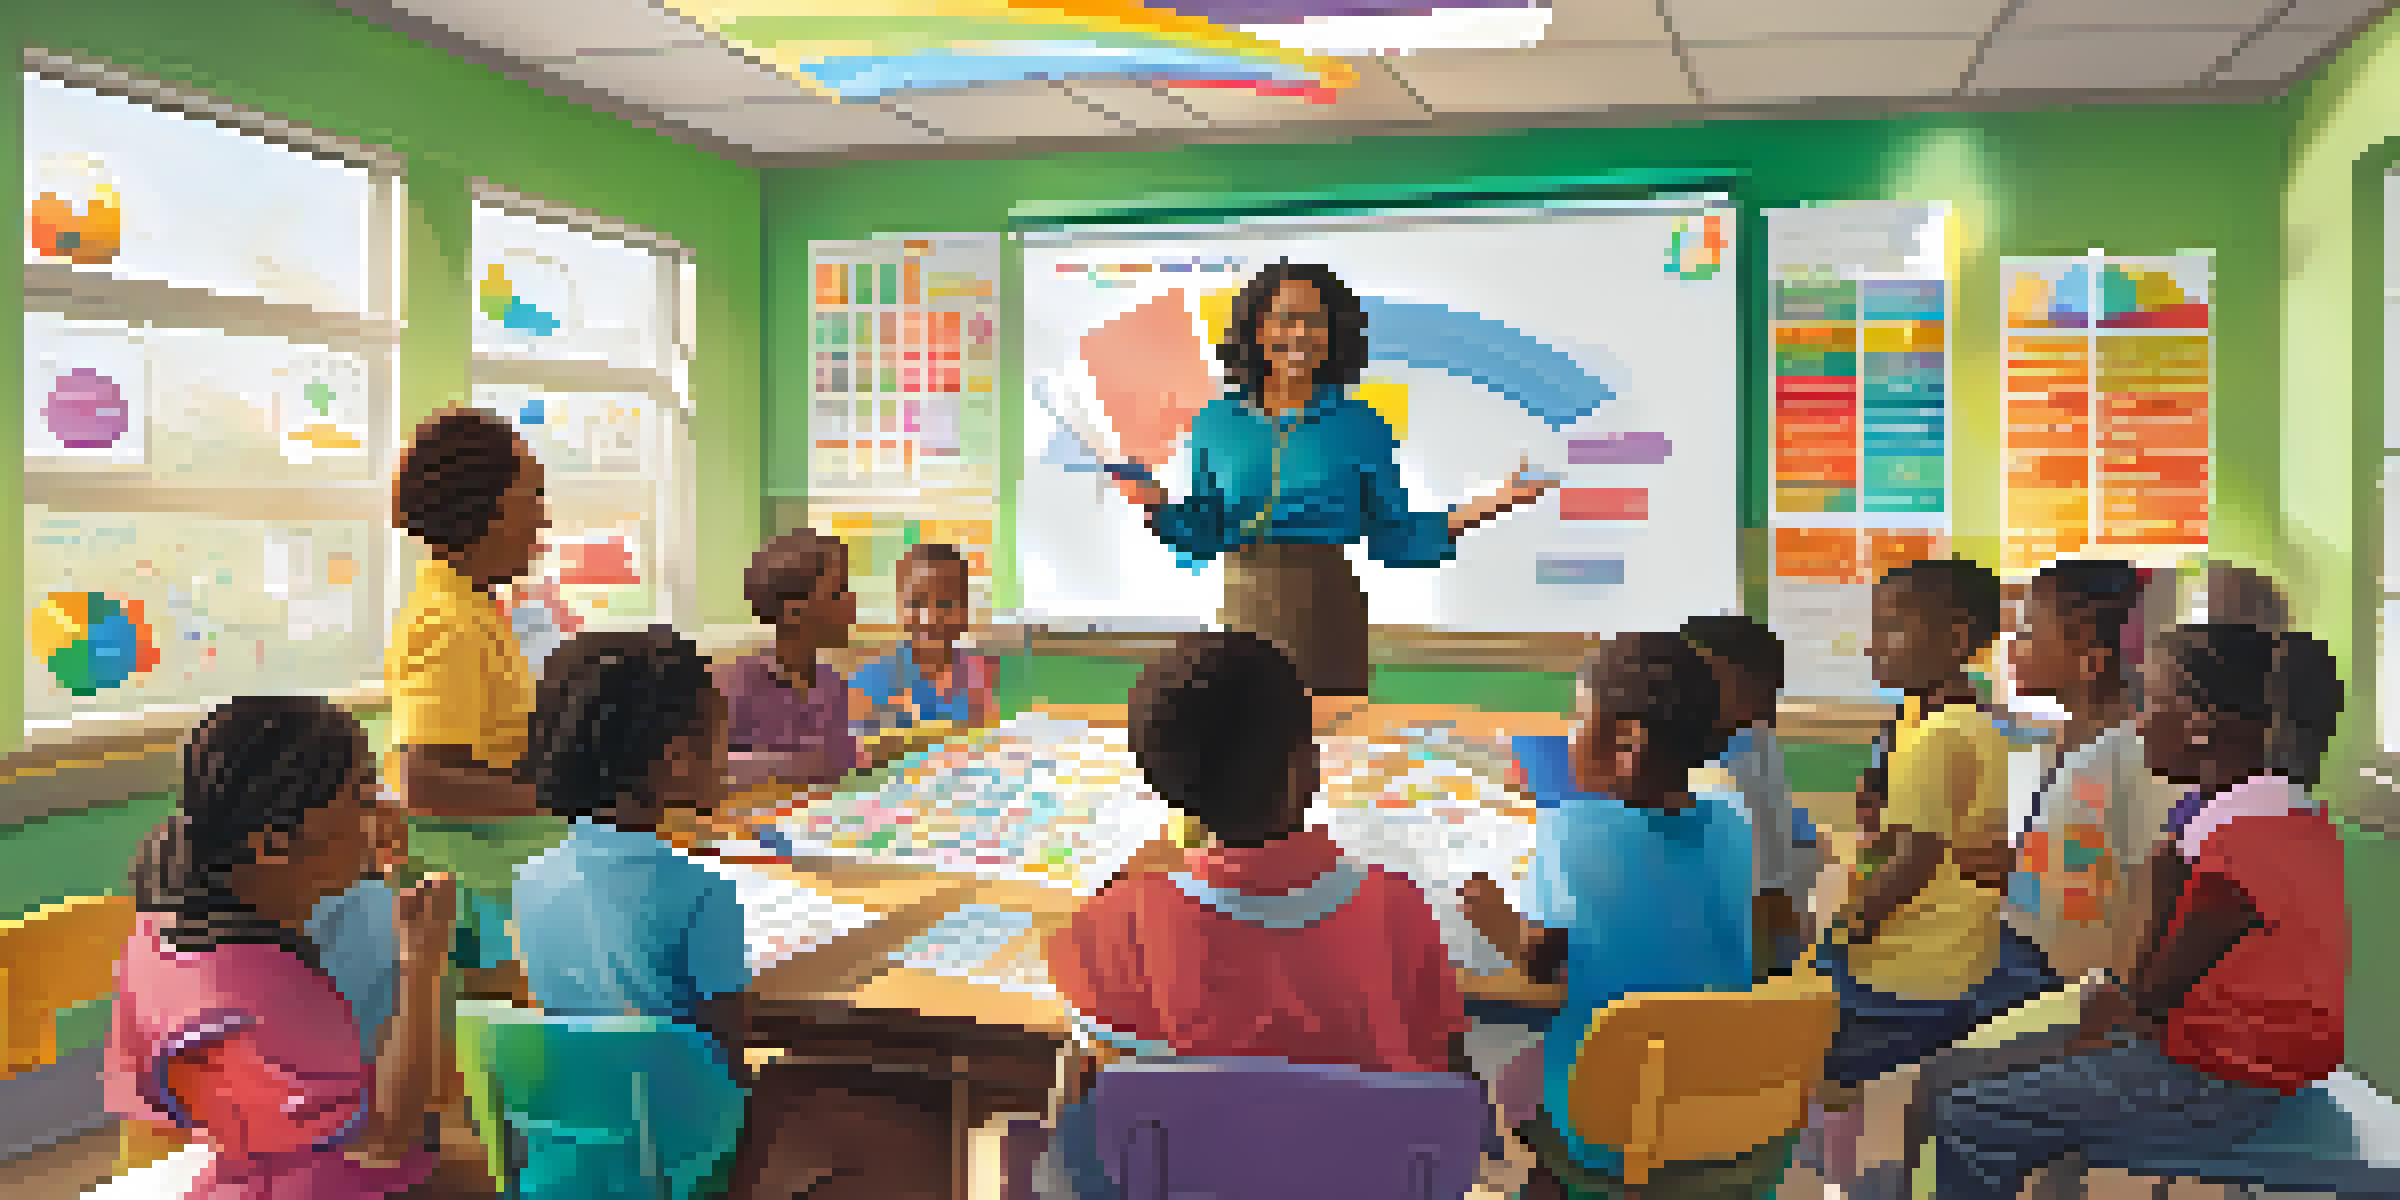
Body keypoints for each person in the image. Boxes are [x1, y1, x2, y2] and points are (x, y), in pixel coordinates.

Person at [1038, 631, 1472, 1198]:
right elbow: (1448, 1076)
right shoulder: (1400, 908)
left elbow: (1094, 1045)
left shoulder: (1118, 924)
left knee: (1072, 1093)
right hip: (1363, 1185)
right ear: (1305, 768)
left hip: (1193, 1183)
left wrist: (1130, 883)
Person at [1926, 625, 2350, 1200]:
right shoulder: (2277, 818)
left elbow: (2149, 997)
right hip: (2243, 1065)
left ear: (2204, 724)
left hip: (2216, 1085)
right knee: (1989, 1071)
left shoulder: (2238, 844)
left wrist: (2110, 1010)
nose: (2139, 724)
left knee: (1970, 1113)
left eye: (2153, 701)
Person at [1109, 261, 1555, 698]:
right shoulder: (1215, 421)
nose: (1301, 334)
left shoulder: (1360, 424)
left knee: (1327, 751)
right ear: (1256, 330)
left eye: (1316, 321)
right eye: (1287, 319)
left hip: (1324, 607)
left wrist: (1493, 504)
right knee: (1245, 736)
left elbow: (1392, 532)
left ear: (1335, 334)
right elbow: (1206, 529)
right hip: (1240, 605)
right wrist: (1158, 505)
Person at [104, 697, 460, 1199]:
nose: (384, 812)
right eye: (361, 797)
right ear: (273, 844)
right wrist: (421, 965)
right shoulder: (262, 984)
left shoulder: (173, 931)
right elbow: (384, 1143)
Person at [1461, 631, 1765, 1200]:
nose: (1569, 737)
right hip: (1724, 1104)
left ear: (1629, 742)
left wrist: (1491, 914)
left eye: (1579, 719)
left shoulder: (1570, 830)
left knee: (1518, 1092)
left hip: (1609, 1120)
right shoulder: (1733, 826)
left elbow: (1538, 966)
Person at [1811, 559, 2059, 1196]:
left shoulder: (1938, 735)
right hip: (1950, 958)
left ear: (1954, 639)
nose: (1874, 643)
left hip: (1906, 969)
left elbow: (1914, 863)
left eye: (1892, 629)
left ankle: (1845, 1177)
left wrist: (1847, 928)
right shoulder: (1954, 720)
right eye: (1875, 627)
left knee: (1791, 1040)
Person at [385, 406, 564, 1001]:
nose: (541, 516)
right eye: (531, 496)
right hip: (473, 894)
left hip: (497, 874)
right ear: (485, 509)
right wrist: (565, 800)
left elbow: (491, 752)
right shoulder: (448, 620)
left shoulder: (475, 604)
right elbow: (425, 782)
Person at [1681, 613, 1821, 978]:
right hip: (1763, 953)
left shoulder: (1727, 767)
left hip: (1738, 969)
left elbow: (1762, 893)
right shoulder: (1754, 745)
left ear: (1751, 690)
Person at [719, 528, 861, 790]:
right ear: (794, 612)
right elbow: (710, 775)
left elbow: (840, 768)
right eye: (839, 591)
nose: (851, 600)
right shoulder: (736, 689)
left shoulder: (832, 684)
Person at [847, 543, 997, 735]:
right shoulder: (869, 683)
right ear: (899, 608)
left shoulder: (977, 673)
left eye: (945, 604)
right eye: (915, 603)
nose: (930, 618)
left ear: (965, 612)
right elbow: (855, 751)